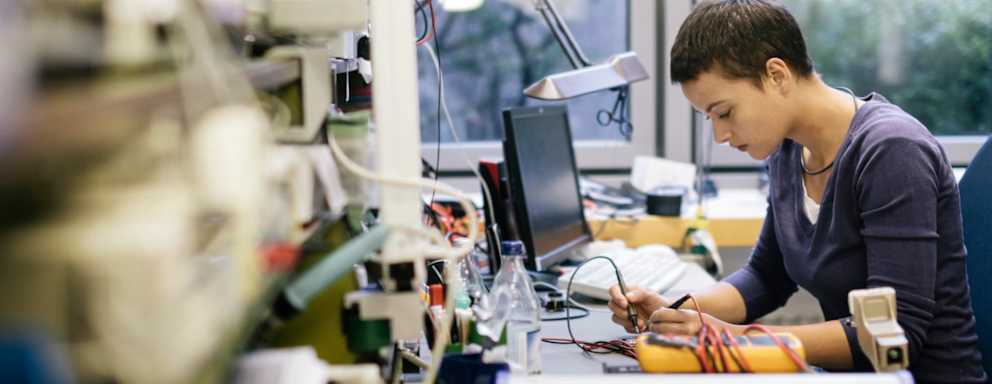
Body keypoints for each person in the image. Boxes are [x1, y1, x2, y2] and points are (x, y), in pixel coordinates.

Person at [608, 1, 987, 382]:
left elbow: (899, 329)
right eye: (709, 118)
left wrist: (738, 340)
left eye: (724, 113)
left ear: (776, 75)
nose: (719, 135)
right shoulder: (788, 151)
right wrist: (677, 311)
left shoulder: (892, 151)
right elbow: (766, 277)